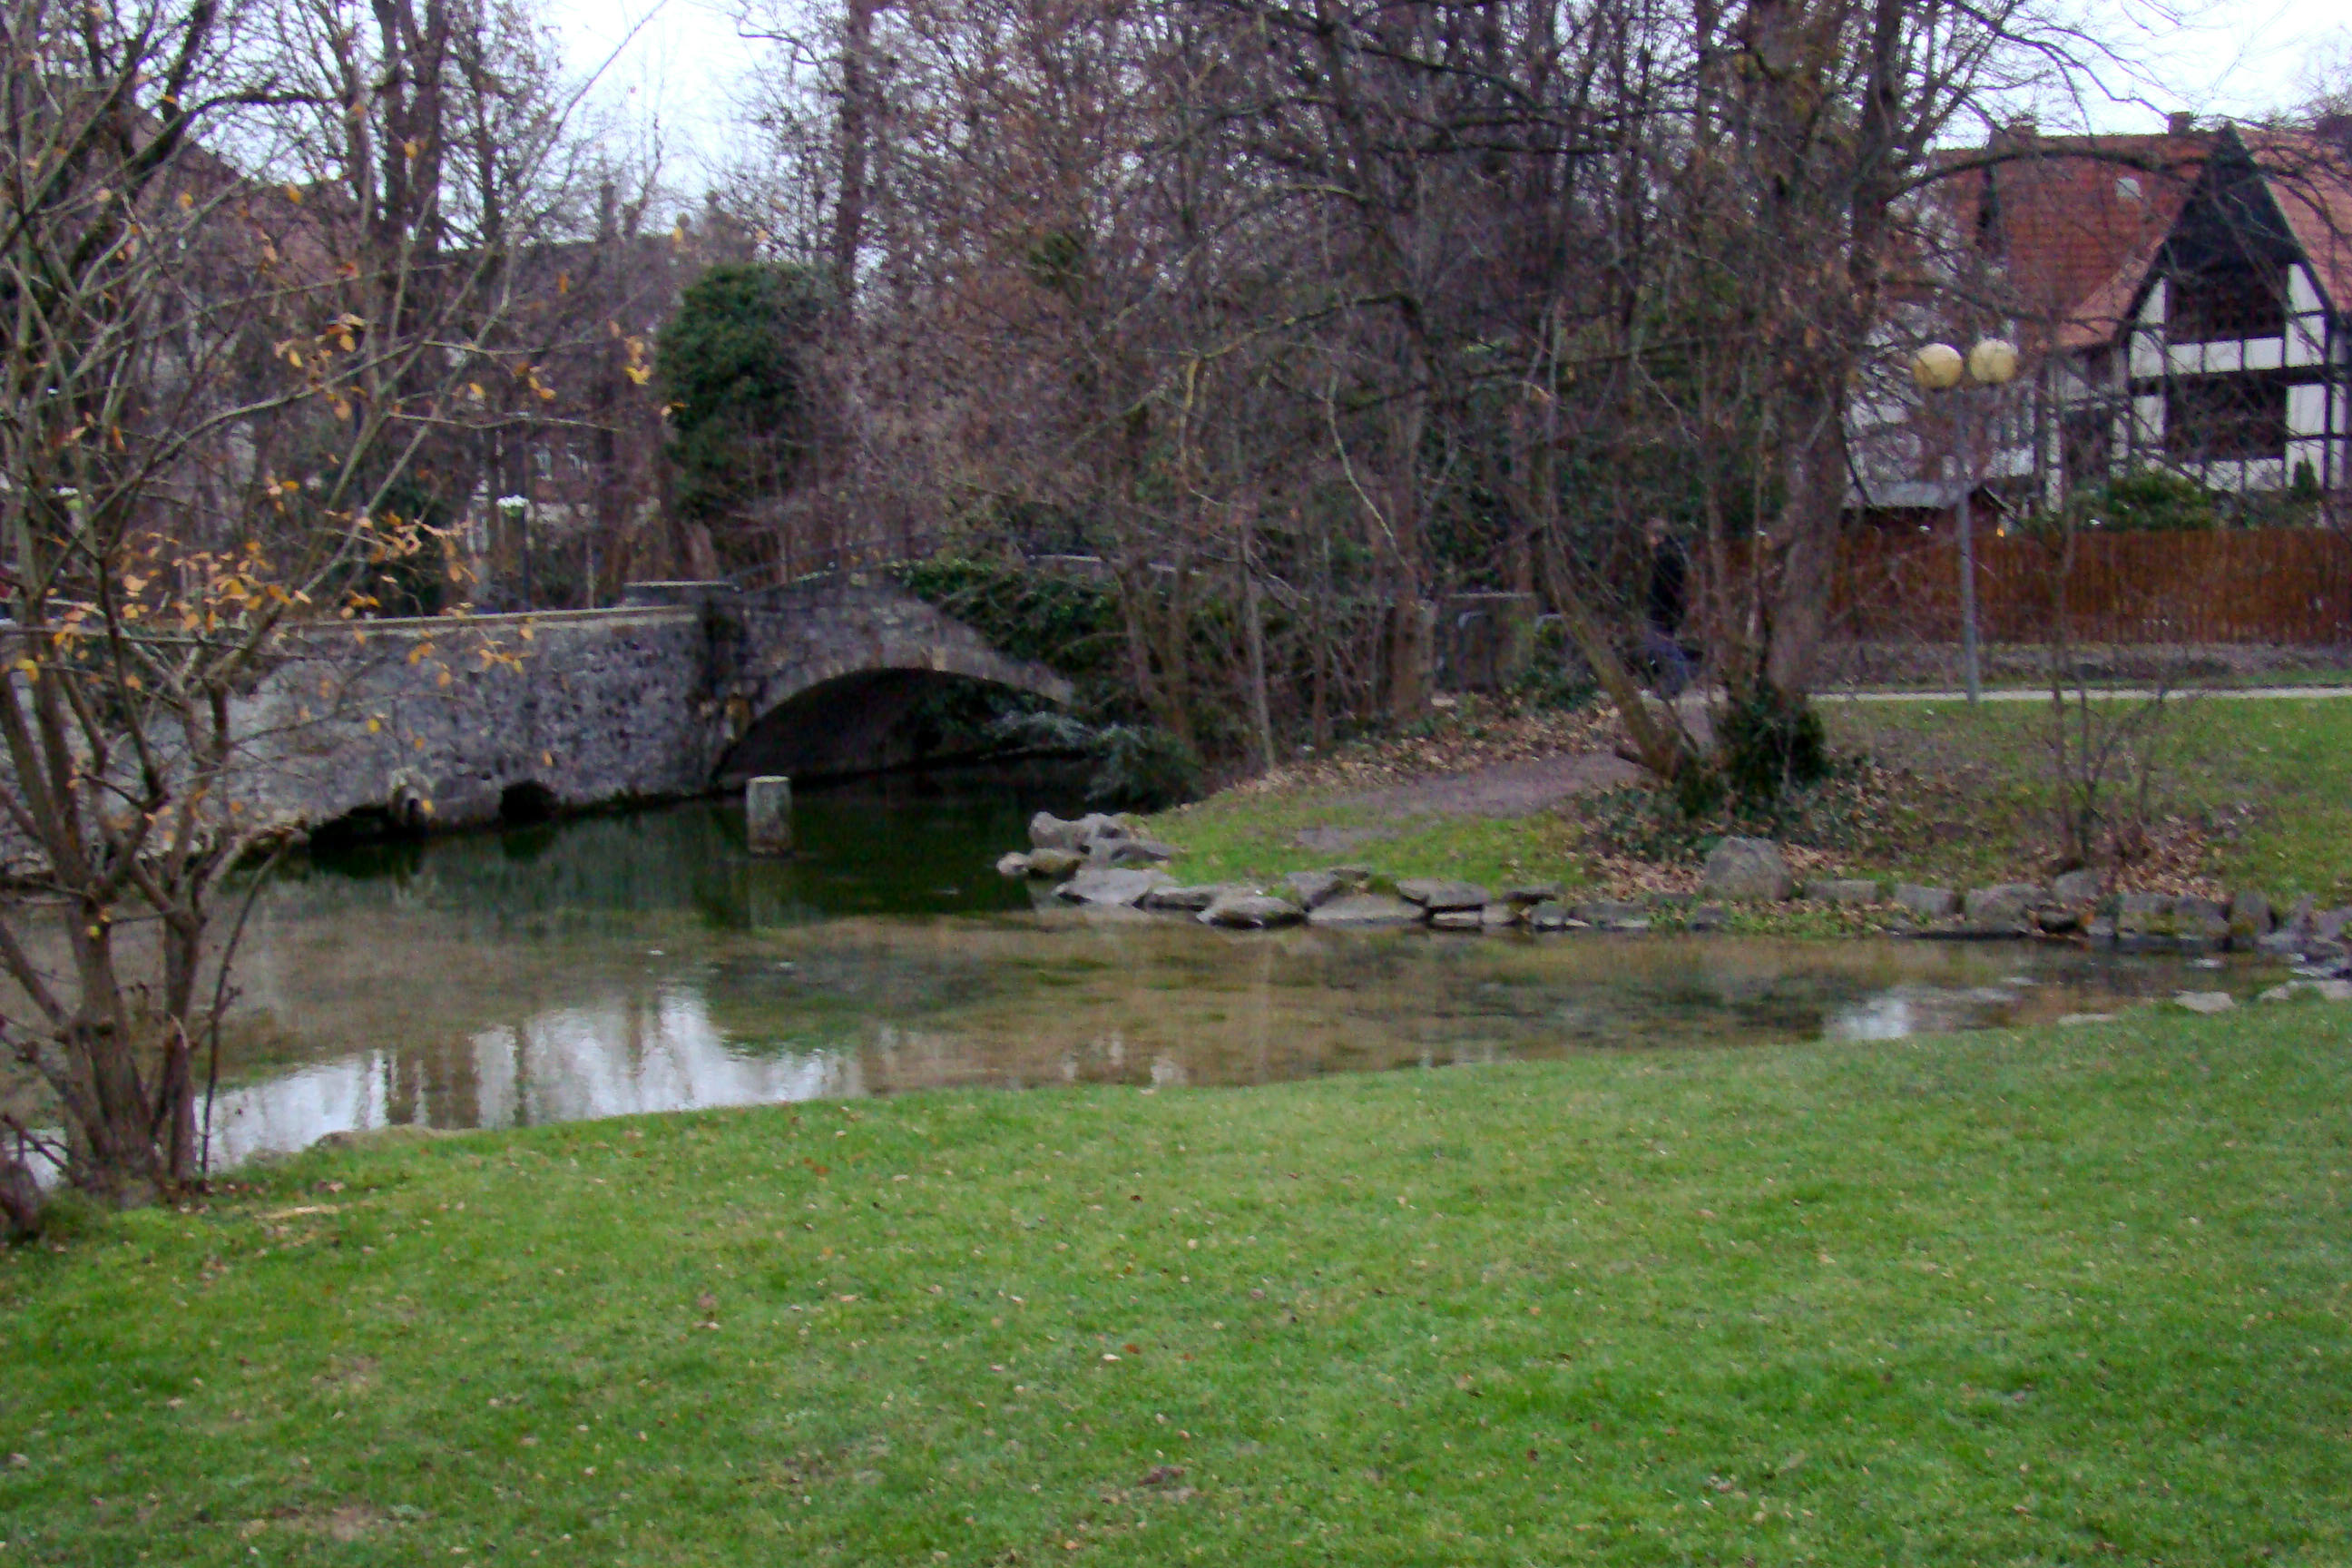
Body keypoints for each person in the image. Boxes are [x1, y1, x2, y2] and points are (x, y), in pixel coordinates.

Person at [1641, 516, 1695, 700]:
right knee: (1658, 647)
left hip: (1663, 611)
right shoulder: (1675, 554)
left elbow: (1663, 589)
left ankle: (1678, 681)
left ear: (1657, 536)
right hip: (1669, 610)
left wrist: (1657, 608)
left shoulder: (1665, 558)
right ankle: (1666, 685)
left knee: (1662, 647)